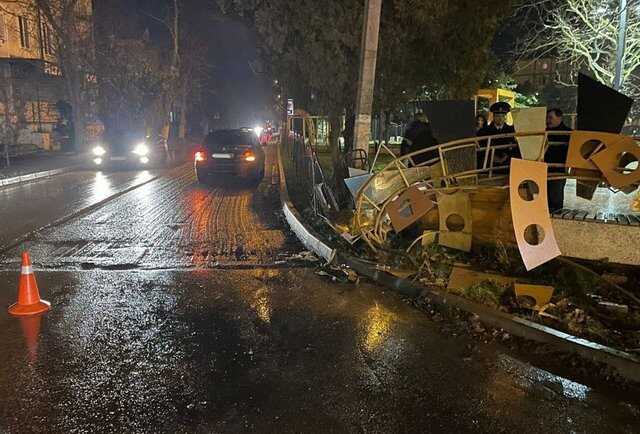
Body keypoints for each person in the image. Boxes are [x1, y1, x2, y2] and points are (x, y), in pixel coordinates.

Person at [477, 102, 520, 169]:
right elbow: (480, 147)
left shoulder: (511, 130)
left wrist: (506, 156)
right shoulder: (484, 131)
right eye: (497, 116)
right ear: (493, 117)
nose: (500, 118)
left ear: (505, 117)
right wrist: (492, 156)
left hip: (507, 163)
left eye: (502, 116)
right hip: (489, 163)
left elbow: (514, 146)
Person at [544, 108, 572, 211]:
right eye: (547, 118)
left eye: (551, 117)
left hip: (558, 170)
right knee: (543, 199)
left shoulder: (569, 133)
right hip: (542, 169)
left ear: (560, 118)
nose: (548, 120)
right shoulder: (543, 132)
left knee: (555, 198)